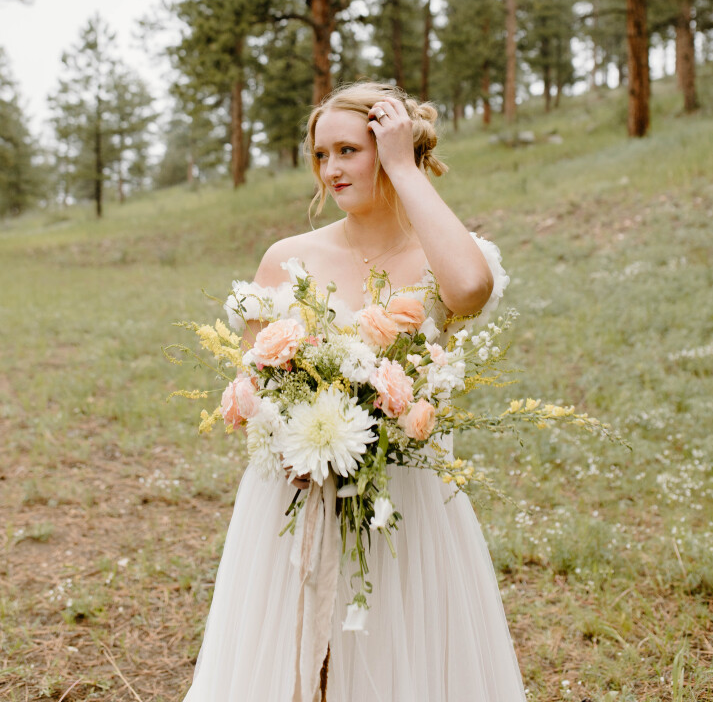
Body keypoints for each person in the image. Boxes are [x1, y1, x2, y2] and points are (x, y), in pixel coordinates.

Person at [183, 82, 526, 702]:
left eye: (349, 150)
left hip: (407, 501)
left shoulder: (442, 256)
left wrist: (404, 167)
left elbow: (471, 289)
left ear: (391, 148)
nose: (332, 169)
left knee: (400, 656)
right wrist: (292, 428)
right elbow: (251, 385)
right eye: (322, 155)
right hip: (294, 494)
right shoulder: (287, 258)